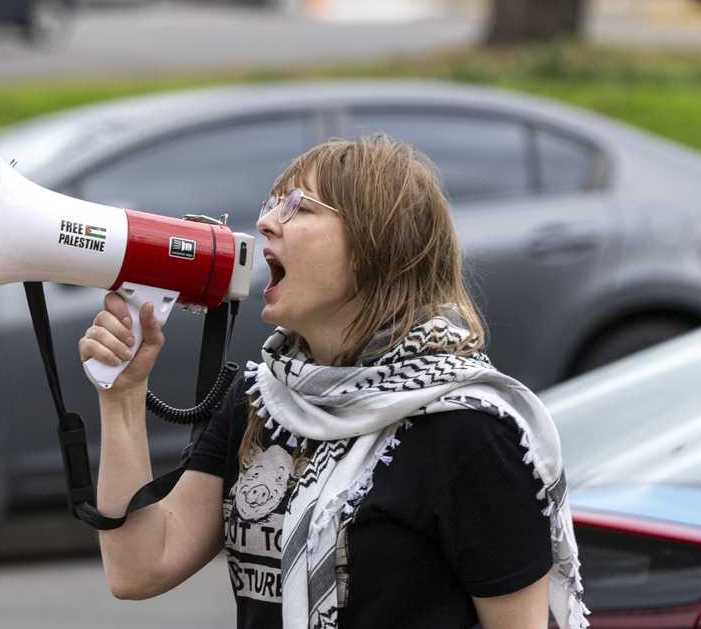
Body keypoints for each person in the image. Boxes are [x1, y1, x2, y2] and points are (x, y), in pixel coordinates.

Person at [78, 135, 588, 629]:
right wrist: (122, 397)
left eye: (298, 207)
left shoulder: (469, 431)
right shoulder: (259, 400)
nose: (264, 222)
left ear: (377, 246)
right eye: (272, 203)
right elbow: (140, 568)